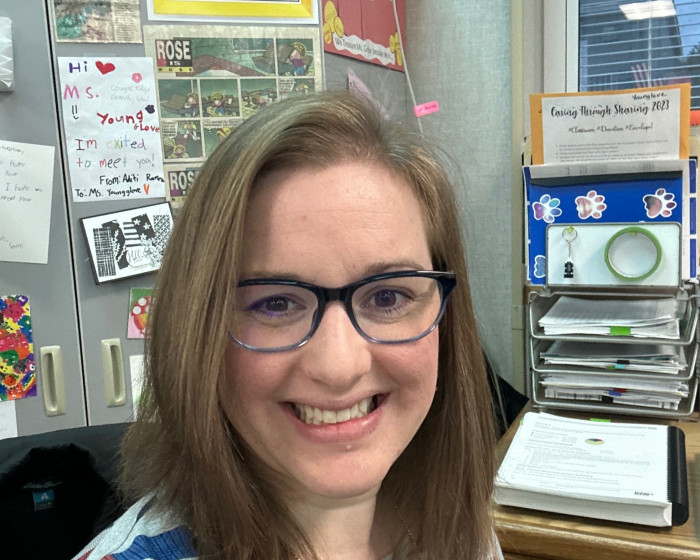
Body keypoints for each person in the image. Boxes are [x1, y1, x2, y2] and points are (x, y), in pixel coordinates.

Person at [75, 91, 502, 560]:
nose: (339, 367)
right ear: (197, 329)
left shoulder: (457, 524)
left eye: (387, 297)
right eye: (275, 304)